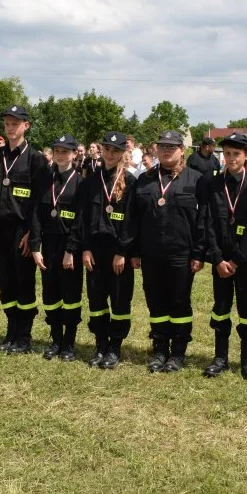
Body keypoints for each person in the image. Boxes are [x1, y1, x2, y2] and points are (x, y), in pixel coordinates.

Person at [130, 130, 208, 373]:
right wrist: (134, 250)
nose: (166, 150)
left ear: (181, 150)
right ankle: (160, 348)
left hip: (181, 254)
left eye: (171, 147)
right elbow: (134, 219)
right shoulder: (145, 180)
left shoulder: (196, 179)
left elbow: (203, 221)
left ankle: (178, 352)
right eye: (162, 146)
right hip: (152, 253)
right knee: (156, 302)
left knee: (179, 302)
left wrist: (198, 253)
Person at [0, 105, 47, 354]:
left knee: (24, 283)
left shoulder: (37, 159)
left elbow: (40, 201)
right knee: (5, 282)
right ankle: (11, 330)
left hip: (22, 231)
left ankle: (24, 335)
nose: (10, 128)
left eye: (15, 123)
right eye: (7, 123)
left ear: (26, 126)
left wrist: (32, 234)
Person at [203, 133, 247, 381]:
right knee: (221, 309)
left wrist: (237, 259)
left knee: (246, 311)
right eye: (227, 153)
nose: (231, 158)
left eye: (236, 154)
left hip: (244, 262)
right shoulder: (212, 184)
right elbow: (207, 224)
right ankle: (220, 358)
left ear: (246, 155)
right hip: (220, 262)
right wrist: (217, 259)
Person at [80, 131, 137, 368]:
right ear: (101, 151)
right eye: (107, 149)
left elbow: (133, 222)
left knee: (120, 301)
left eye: (115, 150)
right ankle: (100, 343)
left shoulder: (132, 182)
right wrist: (85, 249)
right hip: (95, 250)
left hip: (117, 252)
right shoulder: (91, 181)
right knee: (96, 298)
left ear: (124, 153)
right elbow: (83, 219)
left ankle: (114, 346)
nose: (110, 154)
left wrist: (122, 251)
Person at [30, 134, 85, 362]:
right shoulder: (44, 179)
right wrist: (35, 246)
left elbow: (81, 221)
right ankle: (55, 340)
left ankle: (69, 343)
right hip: (48, 244)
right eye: (57, 151)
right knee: (50, 294)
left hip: (69, 247)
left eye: (65, 151)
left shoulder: (81, 182)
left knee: (70, 295)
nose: (61, 155)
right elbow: (35, 214)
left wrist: (71, 250)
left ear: (74, 154)